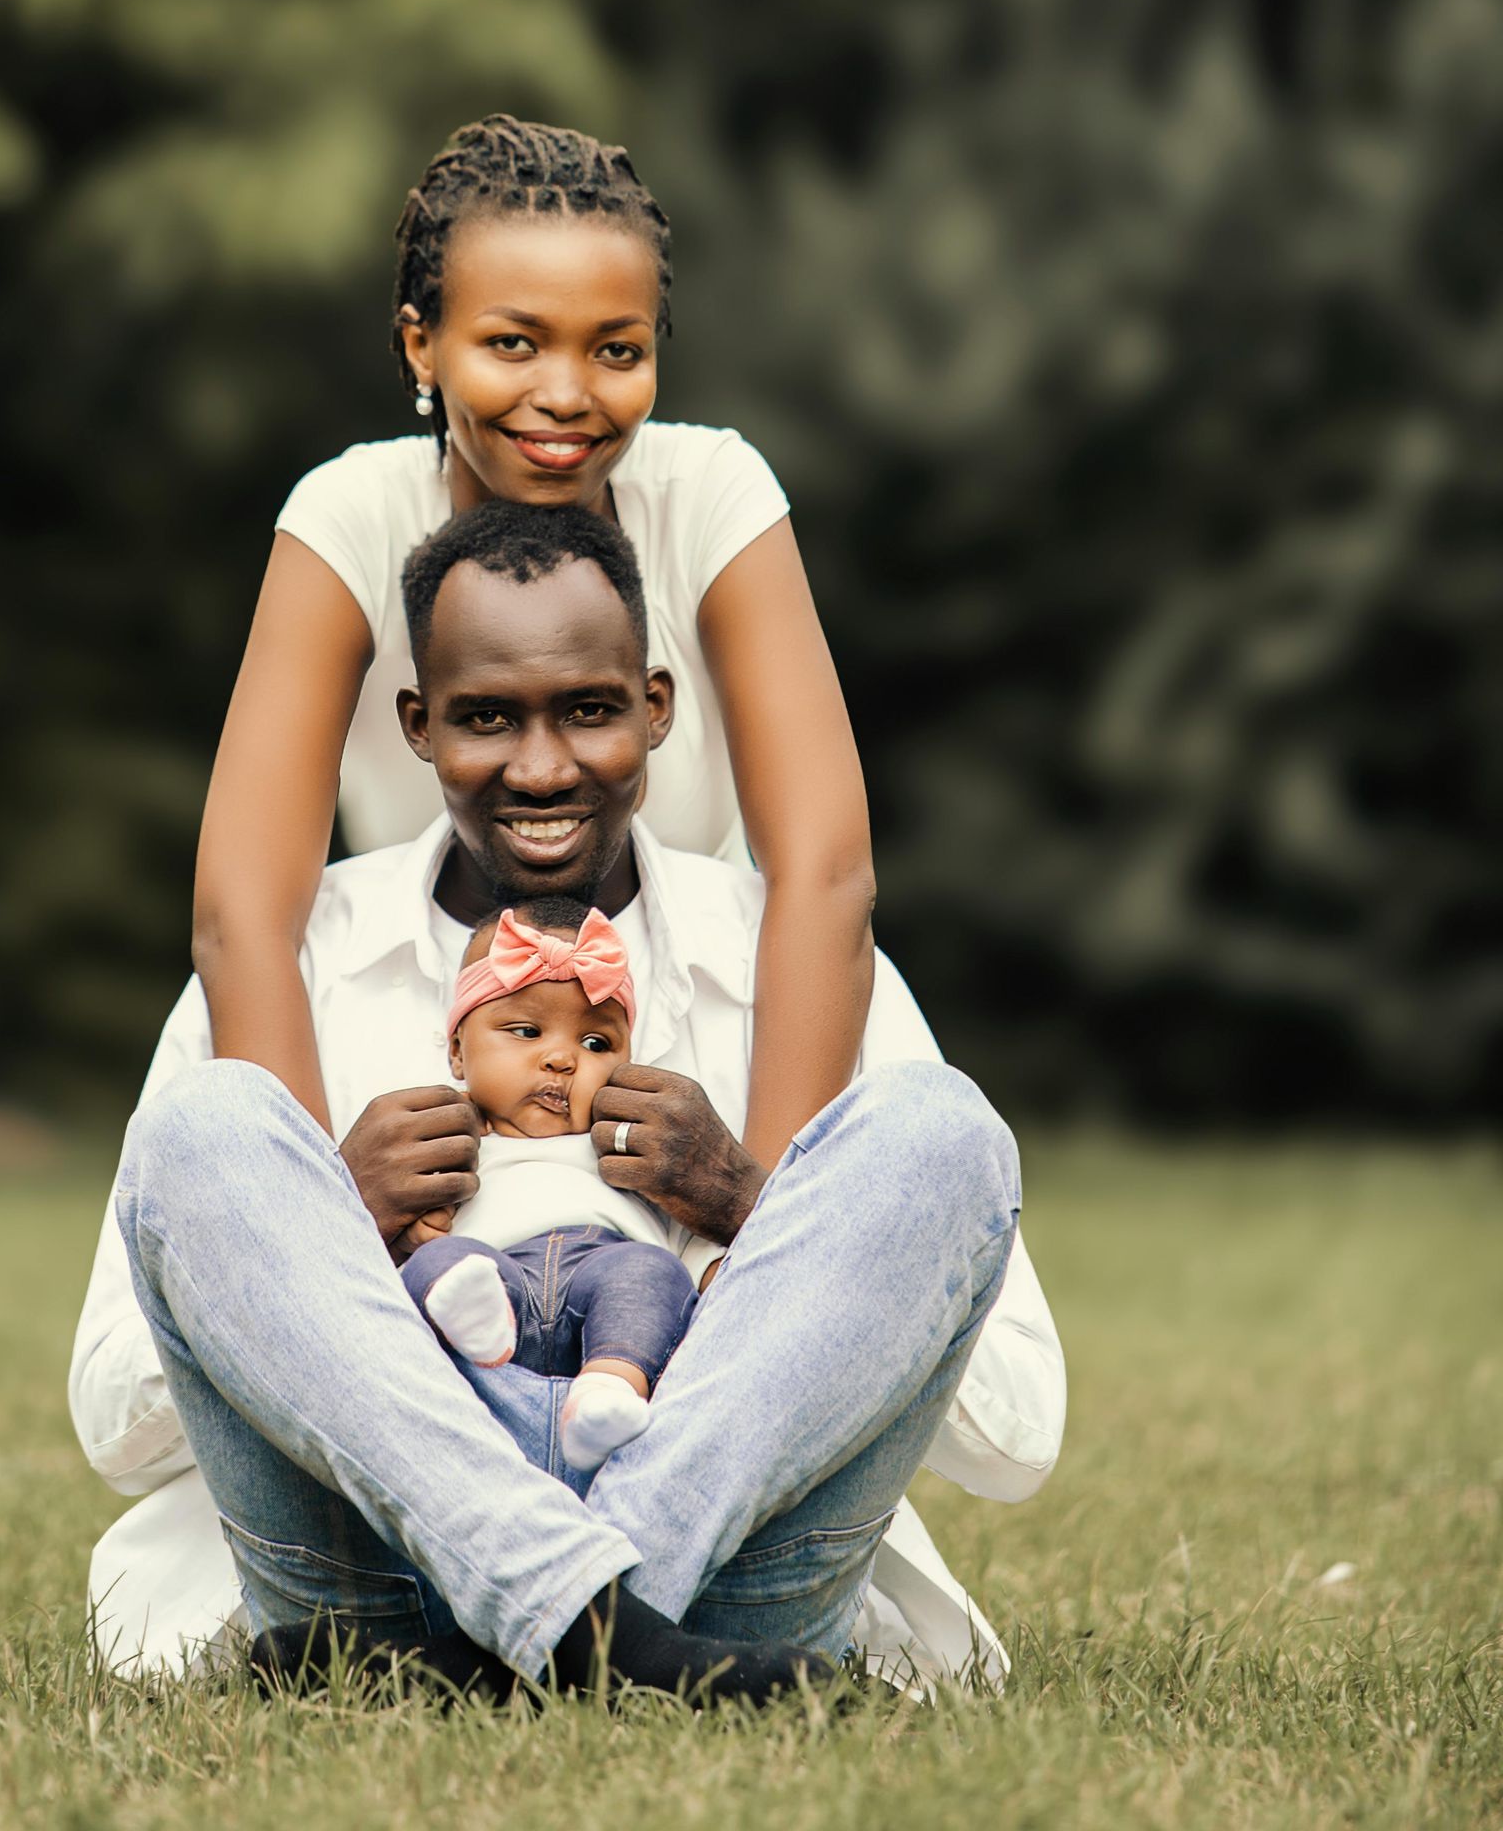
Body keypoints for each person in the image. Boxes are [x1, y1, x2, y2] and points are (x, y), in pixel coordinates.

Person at [71, 503, 1065, 1696]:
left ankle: (527, 1644)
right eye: (487, 718)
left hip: (719, 1580)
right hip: (372, 1582)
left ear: (655, 707)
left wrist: (758, 1204)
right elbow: (116, 1424)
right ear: (418, 728)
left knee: (941, 1128)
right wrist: (333, 1220)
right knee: (209, 1124)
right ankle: (610, 1644)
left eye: (587, 711)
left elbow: (1019, 1428)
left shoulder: (778, 954)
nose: (541, 766)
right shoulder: (308, 953)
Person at [190, 114, 877, 1178]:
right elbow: (244, 911)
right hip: (407, 1040)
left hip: (682, 1033)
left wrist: (759, 1205)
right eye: (514, 342)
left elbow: (826, 873)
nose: (566, 393)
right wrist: (323, 1205)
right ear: (421, 343)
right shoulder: (350, 517)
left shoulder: (713, 498)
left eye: (616, 350)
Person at [402, 897, 699, 1472]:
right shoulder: (444, 1142)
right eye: (526, 1030)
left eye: (596, 1044)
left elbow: (697, 1241)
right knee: (438, 1265)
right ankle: (475, 1327)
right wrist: (417, 1232)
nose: (562, 1058)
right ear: (458, 1052)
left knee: (653, 1272)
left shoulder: (635, 1145)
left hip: (603, 1279)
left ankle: (608, 1390)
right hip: (492, 1276)